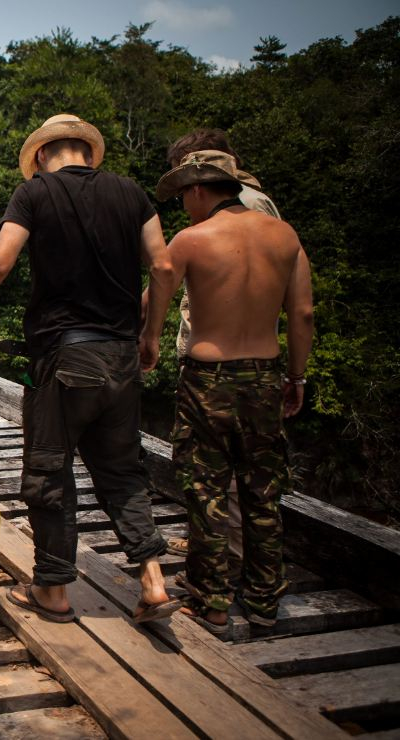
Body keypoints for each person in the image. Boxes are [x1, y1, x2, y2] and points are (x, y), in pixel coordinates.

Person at [0, 113, 180, 624]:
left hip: (65, 356)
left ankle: (52, 589)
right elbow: (163, 267)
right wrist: (151, 335)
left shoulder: (34, 193)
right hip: (121, 356)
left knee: (48, 470)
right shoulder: (131, 192)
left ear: (40, 155)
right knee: (122, 471)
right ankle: (153, 580)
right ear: (87, 152)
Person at [146, 149, 313, 632]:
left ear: (199, 189)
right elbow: (303, 314)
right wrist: (295, 377)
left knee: (206, 491)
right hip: (265, 375)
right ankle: (263, 602)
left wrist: (150, 339)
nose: (183, 205)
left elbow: (157, 291)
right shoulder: (285, 236)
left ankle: (212, 601)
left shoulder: (192, 239)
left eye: (184, 195)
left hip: (208, 378)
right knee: (263, 492)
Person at [157, 130, 281, 569]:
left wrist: (146, 335)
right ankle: (237, 562)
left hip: (222, 362)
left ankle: (225, 562)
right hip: (254, 359)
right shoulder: (255, 206)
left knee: (214, 471)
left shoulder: (244, 206)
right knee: (241, 472)